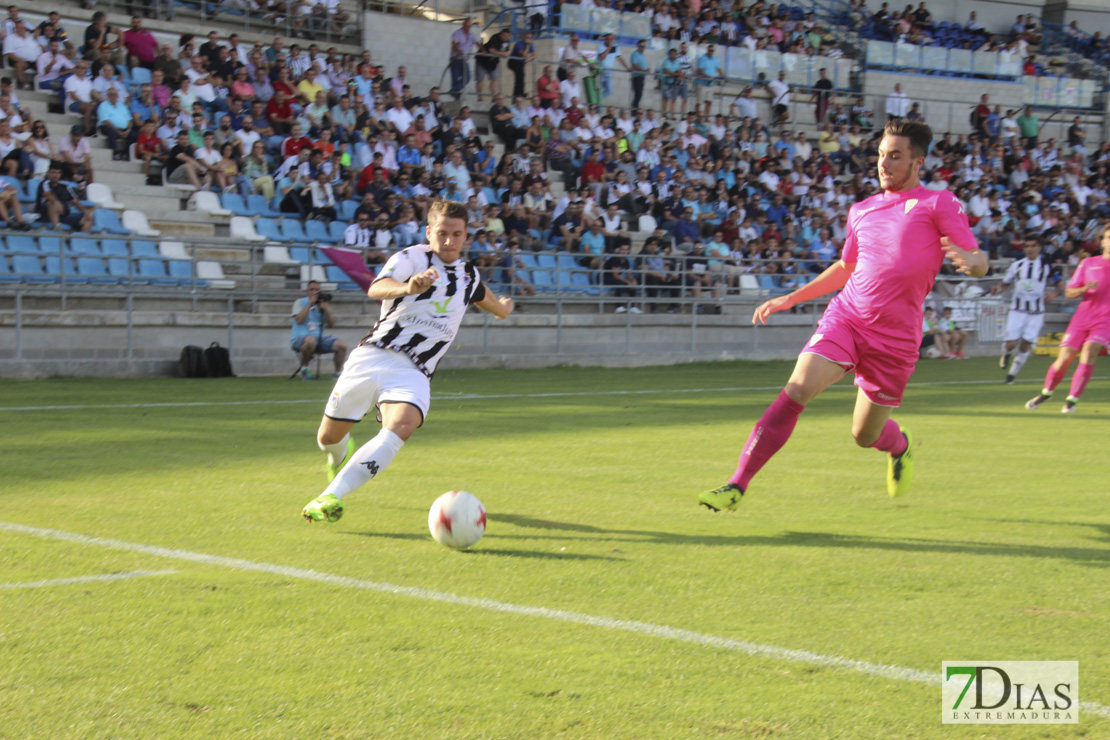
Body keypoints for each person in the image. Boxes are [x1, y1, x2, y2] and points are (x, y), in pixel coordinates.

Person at [698, 120, 987, 512]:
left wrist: (974, 262)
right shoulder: (862, 209)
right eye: (882, 154)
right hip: (848, 318)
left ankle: (899, 446)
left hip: (896, 338)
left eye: (895, 156)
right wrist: (790, 298)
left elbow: (976, 259)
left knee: (864, 435)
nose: (884, 163)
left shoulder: (938, 203)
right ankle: (737, 484)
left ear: (918, 162)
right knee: (798, 388)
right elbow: (845, 267)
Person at [301, 201, 515, 523]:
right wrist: (408, 287)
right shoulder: (411, 258)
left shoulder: (469, 275)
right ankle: (337, 456)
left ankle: (330, 495)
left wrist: (503, 309)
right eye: (441, 233)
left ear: (466, 236)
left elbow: (487, 299)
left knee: (402, 425)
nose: (448, 241)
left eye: (456, 234)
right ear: (429, 232)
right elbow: (376, 288)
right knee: (328, 437)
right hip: (373, 356)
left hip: (414, 370)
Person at [1025, 225, 1110, 414]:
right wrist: (1084, 288)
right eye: (1108, 237)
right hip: (1083, 317)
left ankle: (1071, 400)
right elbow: (1070, 291)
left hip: (1106, 320)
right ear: (1102, 241)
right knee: (1064, 358)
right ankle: (1046, 393)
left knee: (1090, 350)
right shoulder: (1088, 263)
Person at [990, 235, 1059, 383]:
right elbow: (1005, 283)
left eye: (1033, 245)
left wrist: (1054, 293)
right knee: (1011, 344)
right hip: (1017, 311)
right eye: (1027, 246)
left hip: (1036, 313)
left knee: (1025, 345)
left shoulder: (1047, 265)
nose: (1030, 249)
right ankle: (1006, 353)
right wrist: (997, 288)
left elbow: (1060, 284)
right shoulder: (1017, 265)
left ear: (1038, 248)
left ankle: (1011, 375)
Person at [291, 280, 348, 381]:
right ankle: (305, 368)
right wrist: (310, 304)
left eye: (317, 290)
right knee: (310, 340)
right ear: (307, 291)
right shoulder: (300, 302)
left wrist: (326, 309)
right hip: (300, 338)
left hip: (319, 338)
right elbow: (299, 320)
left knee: (341, 345)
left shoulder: (321, 305)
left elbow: (331, 324)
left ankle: (338, 373)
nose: (314, 292)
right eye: (312, 289)